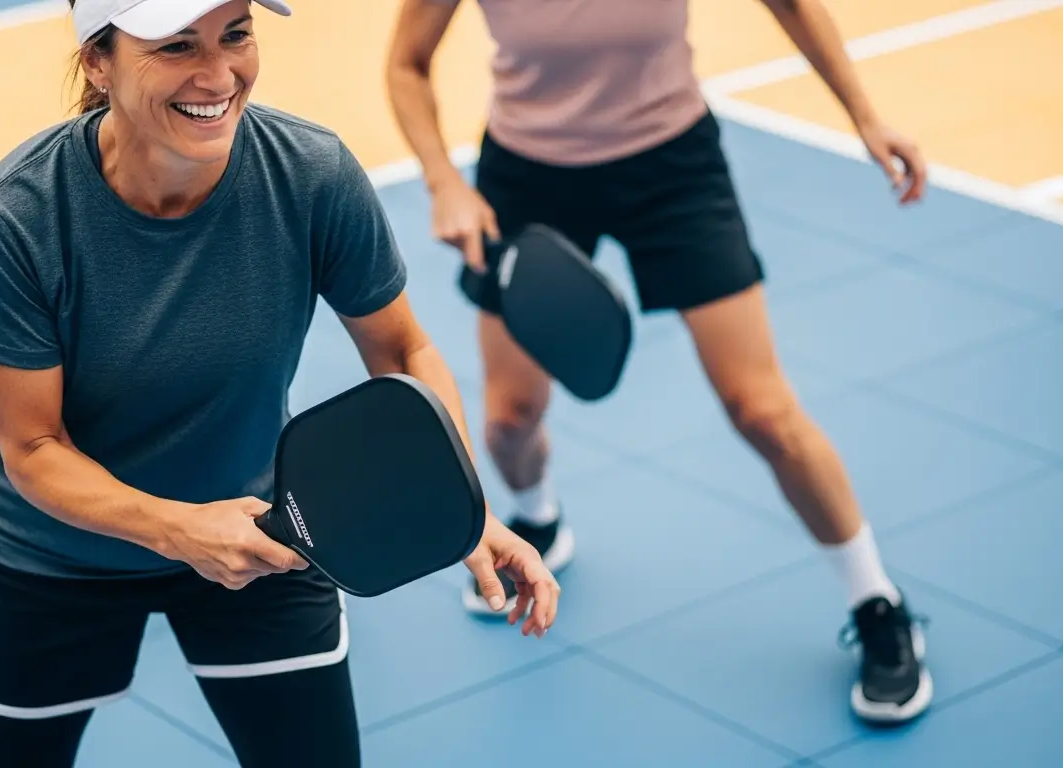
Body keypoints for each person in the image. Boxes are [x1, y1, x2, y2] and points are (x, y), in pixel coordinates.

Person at [0, 0, 560, 765]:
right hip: (53, 560)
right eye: (175, 46)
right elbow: (34, 447)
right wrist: (177, 529)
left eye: (235, 33)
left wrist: (458, 504)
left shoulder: (310, 173)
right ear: (97, 63)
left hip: (266, 528)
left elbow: (403, 353)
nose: (218, 74)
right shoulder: (17, 215)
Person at [385, 0, 931, 724]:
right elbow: (405, 62)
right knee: (510, 420)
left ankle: (878, 603)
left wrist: (865, 114)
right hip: (528, 176)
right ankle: (539, 519)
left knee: (765, 412)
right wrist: (442, 180)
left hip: (673, 165)